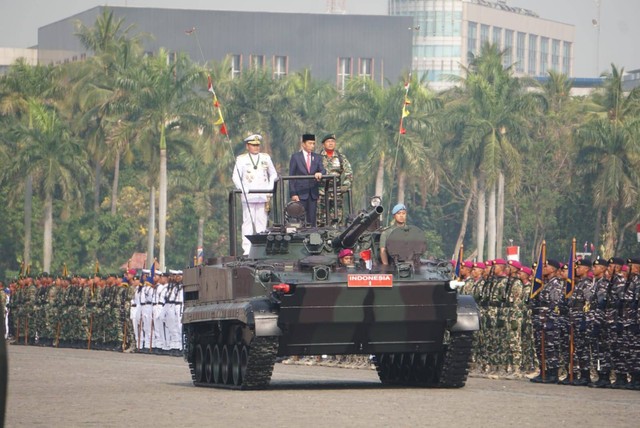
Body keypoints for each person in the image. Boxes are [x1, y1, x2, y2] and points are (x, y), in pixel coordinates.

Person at [232, 133, 278, 255]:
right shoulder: (241, 159)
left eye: (258, 145)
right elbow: (235, 177)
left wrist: (270, 187)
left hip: (263, 194)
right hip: (249, 194)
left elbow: (273, 174)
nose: (256, 147)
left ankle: (262, 246)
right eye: (253, 145)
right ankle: (247, 248)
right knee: (247, 222)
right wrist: (242, 188)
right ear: (248, 146)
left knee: (262, 222)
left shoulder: (265, 157)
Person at [289, 133, 326, 227]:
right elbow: (291, 176)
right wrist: (293, 193)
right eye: (310, 143)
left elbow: (323, 169)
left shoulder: (317, 157)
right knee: (299, 218)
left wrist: (320, 173)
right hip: (300, 193)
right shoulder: (296, 157)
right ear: (303, 144)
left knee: (312, 219)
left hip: (313, 193)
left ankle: (312, 238)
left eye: (313, 143)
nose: (312, 146)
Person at [318, 133, 353, 226]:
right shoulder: (318, 157)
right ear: (323, 144)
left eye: (333, 141)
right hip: (321, 192)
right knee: (320, 219)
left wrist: (345, 186)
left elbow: (348, 173)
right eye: (328, 141)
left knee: (337, 218)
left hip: (336, 191)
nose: (331, 143)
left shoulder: (341, 157)